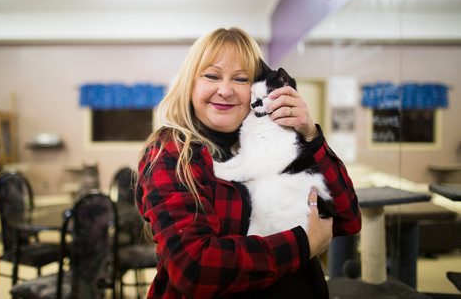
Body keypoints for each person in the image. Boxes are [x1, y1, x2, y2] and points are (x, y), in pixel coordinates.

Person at [135, 27, 361, 298]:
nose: (226, 90)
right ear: (190, 84)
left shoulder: (269, 139)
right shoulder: (172, 151)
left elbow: (346, 219)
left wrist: (310, 135)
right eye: (211, 75)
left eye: (241, 79)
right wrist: (304, 244)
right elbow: (193, 267)